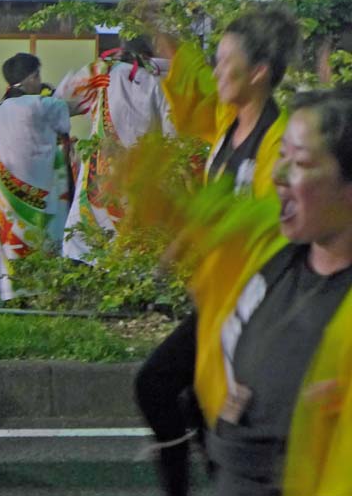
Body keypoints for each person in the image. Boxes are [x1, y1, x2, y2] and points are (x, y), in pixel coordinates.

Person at [120, 90, 352, 495]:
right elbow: (222, 217)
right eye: (281, 156)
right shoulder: (274, 248)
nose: (279, 175)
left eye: (301, 163)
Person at [134, 6, 299, 496]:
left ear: (259, 73)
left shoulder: (279, 141)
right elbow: (197, 93)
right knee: (177, 397)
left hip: (256, 311)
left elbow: (271, 226)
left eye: (228, 62)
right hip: (218, 305)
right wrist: (164, 37)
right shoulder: (228, 123)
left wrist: (188, 224)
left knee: (168, 390)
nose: (219, 70)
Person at [55, 35, 174, 262]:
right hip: (143, 175)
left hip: (100, 175)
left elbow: (64, 98)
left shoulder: (105, 73)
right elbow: (173, 133)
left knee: (88, 239)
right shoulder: (161, 82)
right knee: (136, 245)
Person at [0, 52, 71, 299]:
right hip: (43, 195)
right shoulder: (44, 104)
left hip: (5, 196)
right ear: (33, 77)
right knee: (44, 244)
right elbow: (64, 120)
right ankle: (46, 294)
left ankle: (12, 294)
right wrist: (52, 93)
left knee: (10, 249)